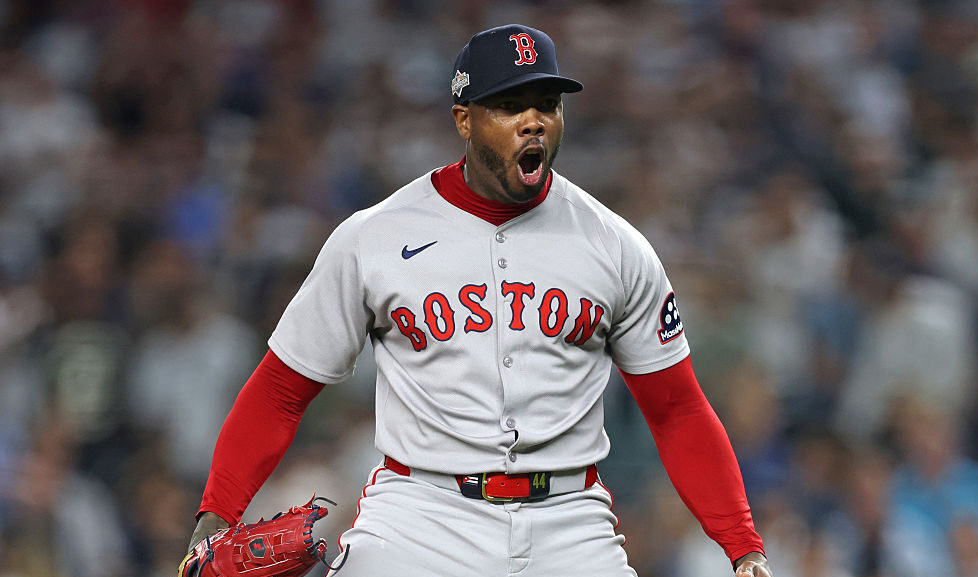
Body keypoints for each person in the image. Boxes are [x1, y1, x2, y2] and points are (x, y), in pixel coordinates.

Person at [182, 24, 772, 577]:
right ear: (464, 120)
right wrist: (214, 518)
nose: (534, 121)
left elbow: (678, 410)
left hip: (569, 520)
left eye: (547, 104)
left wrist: (743, 548)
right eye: (510, 105)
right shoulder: (375, 237)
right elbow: (281, 389)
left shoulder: (615, 245)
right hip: (419, 516)